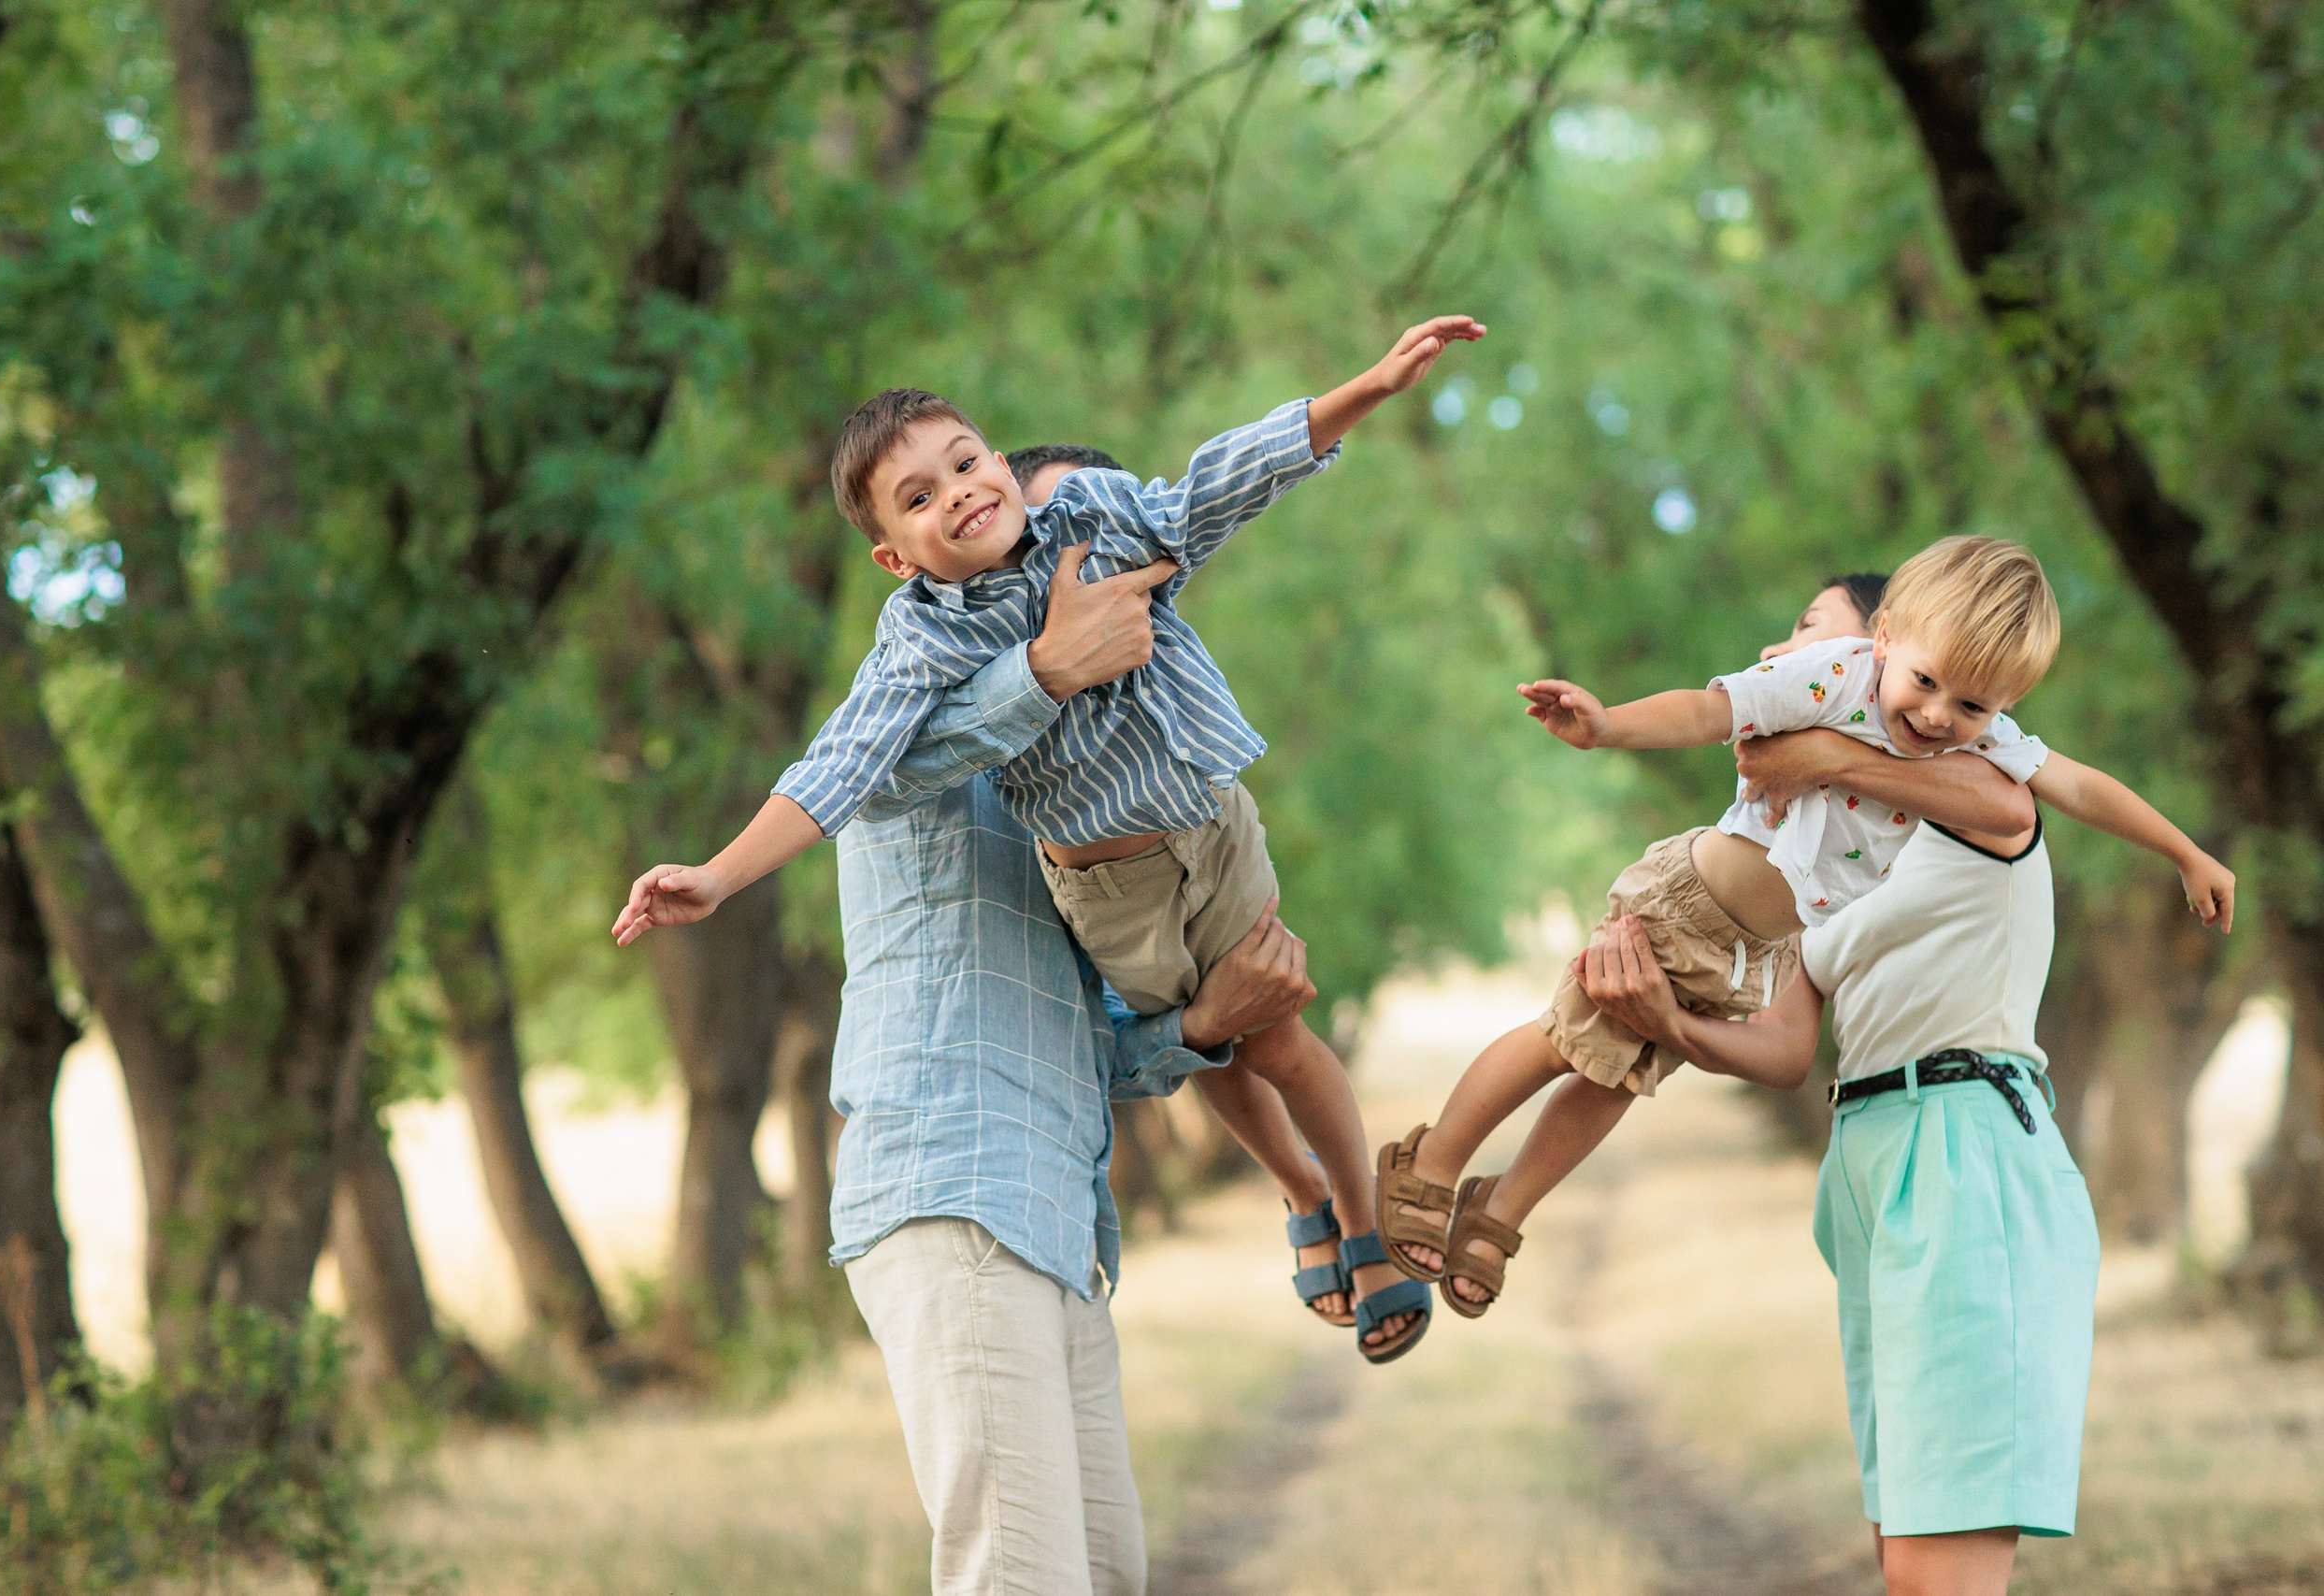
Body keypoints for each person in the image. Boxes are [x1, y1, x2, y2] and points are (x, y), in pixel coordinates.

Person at [615, 315, 1488, 1360]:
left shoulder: (1096, 519)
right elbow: (841, 764)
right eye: (919, 498)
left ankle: (1357, 1217)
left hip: (1212, 827)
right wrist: (717, 876)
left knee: (1279, 1035)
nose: (958, 494)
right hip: (1110, 890)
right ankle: (1298, 1187)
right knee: (1217, 1039)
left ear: (997, 459)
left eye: (964, 463)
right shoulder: (926, 638)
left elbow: (1215, 484)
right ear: (894, 557)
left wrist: (1367, 389)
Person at [1382, 539, 2234, 1316]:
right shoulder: (1832, 679)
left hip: (1749, 950)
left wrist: (2185, 852)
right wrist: (1610, 727)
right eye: (1926, 683)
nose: (1939, 717)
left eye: (1973, 706)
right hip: (1687, 900)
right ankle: (1432, 1162)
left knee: (1614, 1076)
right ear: (1885, 637)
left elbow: (2075, 788)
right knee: (1559, 1041)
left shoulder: (1976, 747)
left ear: (2004, 705)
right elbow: (1709, 712)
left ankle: (1501, 1208)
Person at [770, 489, 1316, 1596]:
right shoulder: (911, 730)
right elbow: (859, 774)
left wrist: (1204, 1024)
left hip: (1059, 1225)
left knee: (1105, 1573)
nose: (1068, 571)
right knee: (1017, 1578)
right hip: (956, 1193)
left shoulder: (1085, 809)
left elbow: (1078, 1047)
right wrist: (1050, 669)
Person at [1572, 718, 2117, 1595]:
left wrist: (1823, 751)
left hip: (1965, 1147)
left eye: (1814, 651)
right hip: (1868, 1152)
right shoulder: (1827, 855)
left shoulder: (1978, 792)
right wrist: (1667, 1023)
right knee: (1904, 1554)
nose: (1784, 666)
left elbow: (2017, 800)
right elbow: (1787, 1046)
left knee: (1937, 1570)